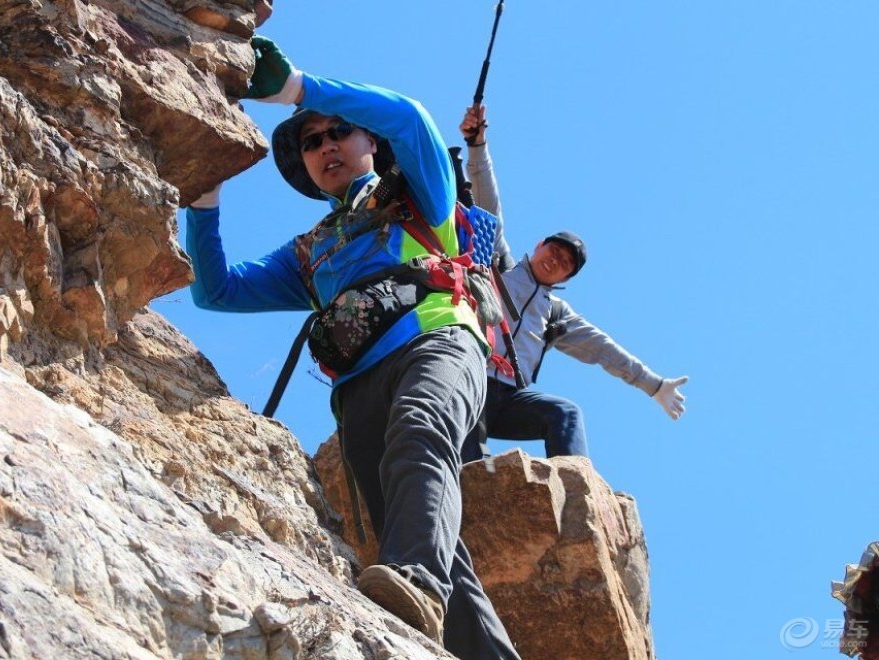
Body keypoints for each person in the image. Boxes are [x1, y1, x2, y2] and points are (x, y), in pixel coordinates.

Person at [184, 38, 520, 660]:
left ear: (370, 143)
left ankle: (418, 583)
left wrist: (296, 90)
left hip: (437, 337)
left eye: (341, 131)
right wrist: (204, 196)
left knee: (421, 436)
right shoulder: (308, 251)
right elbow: (217, 291)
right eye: (311, 141)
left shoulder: (422, 191)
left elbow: (413, 118)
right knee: (415, 534)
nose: (325, 145)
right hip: (356, 390)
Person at [459, 105, 689, 462]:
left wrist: (653, 385)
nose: (556, 260)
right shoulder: (499, 262)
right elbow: (487, 201)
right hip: (467, 378)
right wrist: (477, 145)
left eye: (565, 263)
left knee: (563, 413)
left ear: (566, 278)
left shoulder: (554, 314)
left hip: (508, 399)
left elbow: (603, 349)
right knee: (472, 462)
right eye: (554, 250)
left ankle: (573, 488)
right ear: (538, 246)